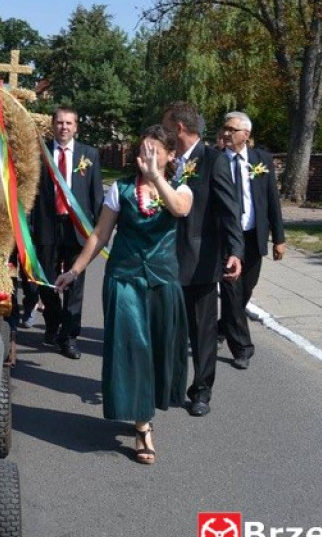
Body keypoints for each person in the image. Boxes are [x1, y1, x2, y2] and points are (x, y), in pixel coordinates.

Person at [55, 126, 193, 464]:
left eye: (155, 150)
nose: (146, 156)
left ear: (170, 155)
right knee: (133, 347)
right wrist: (74, 270)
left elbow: (179, 209)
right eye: (142, 150)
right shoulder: (122, 189)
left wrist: (156, 177)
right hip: (125, 278)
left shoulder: (181, 187)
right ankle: (143, 425)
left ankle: (147, 408)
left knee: (158, 348)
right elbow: (100, 234)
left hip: (163, 280)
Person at [161, 101, 244, 417]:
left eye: (166, 126)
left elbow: (229, 209)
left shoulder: (213, 161)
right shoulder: (166, 161)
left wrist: (235, 251)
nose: (163, 132)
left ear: (179, 128)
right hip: (165, 258)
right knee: (170, 328)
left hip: (201, 261)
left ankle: (201, 392)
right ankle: (170, 385)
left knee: (203, 332)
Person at [30, 107, 103, 359]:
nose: (64, 127)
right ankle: (52, 322)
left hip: (77, 227)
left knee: (75, 282)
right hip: (47, 225)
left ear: (76, 126)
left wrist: (97, 229)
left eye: (69, 123)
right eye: (59, 122)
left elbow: (96, 195)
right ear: (52, 124)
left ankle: (70, 336)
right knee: (46, 280)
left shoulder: (89, 154)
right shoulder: (40, 153)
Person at [217, 111, 286, 370]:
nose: (225, 133)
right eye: (223, 128)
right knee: (232, 292)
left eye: (231, 129)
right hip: (226, 239)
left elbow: (272, 203)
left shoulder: (262, 161)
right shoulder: (215, 160)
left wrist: (278, 238)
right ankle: (243, 348)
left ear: (245, 134)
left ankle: (221, 327)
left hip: (253, 236)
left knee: (246, 289)